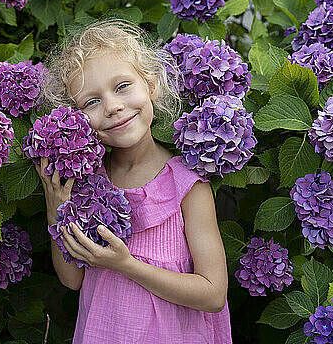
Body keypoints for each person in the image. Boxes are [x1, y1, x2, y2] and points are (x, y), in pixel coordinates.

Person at [34, 19, 232, 343]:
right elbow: (72, 279)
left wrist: (126, 264)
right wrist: (56, 208)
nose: (113, 106)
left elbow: (213, 294)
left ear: (151, 87)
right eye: (91, 102)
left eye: (122, 86)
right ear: (77, 118)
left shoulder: (187, 185)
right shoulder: (86, 181)